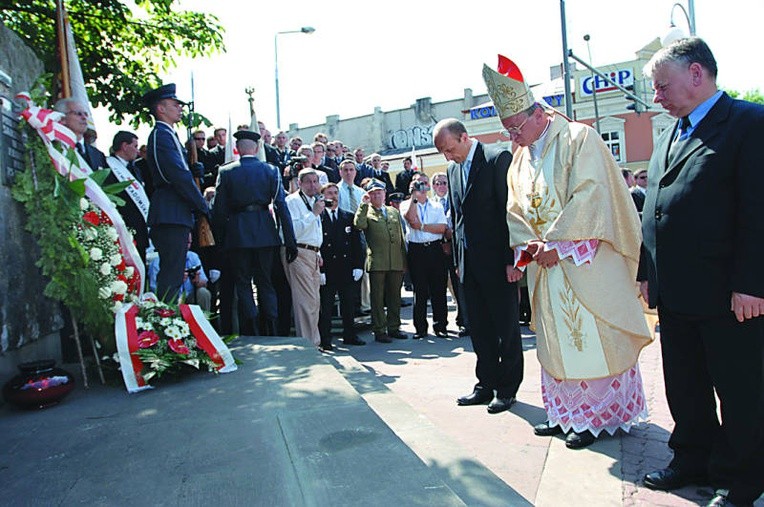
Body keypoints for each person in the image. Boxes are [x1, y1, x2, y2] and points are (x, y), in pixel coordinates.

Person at [482, 55, 653, 447]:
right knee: (555, 341)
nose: (513, 137)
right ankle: (564, 413)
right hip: (546, 268)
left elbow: (591, 195)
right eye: (506, 129)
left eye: (516, 127)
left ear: (537, 113)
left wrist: (558, 242)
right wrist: (530, 245)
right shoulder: (519, 159)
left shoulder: (579, 139)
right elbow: (514, 208)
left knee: (588, 337)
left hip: (583, 261)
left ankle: (594, 417)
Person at [638, 37, 764, 507]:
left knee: (740, 390)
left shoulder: (749, 124)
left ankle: (743, 478)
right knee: (685, 385)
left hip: (730, 295)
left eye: (662, 85)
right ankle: (692, 457)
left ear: (697, 74)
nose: (656, 96)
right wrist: (646, 270)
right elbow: (654, 207)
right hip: (676, 292)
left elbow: (759, 211)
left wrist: (753, 283)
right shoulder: (671, 132)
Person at [433, 117, 522, 415]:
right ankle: (485, 384)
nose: (447, 156)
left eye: (449, 149)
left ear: (464, 137)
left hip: (499, 263)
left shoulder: (497, 159)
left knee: (506, 328)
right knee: (480, 329)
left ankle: (507, 389)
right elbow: (458, 219)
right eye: (443, 152)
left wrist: (513, 260)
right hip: (468, 265)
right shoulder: (452, 169)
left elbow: (509, 213)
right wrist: (459, 260)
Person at [211, 130, 297, 336]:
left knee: (243, 282)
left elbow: (219, 211)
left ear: (237, 149)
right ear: (257, 148)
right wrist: (290, 240)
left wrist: (221, 240)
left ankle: (252, 328)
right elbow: (281, 207)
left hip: (238, 233)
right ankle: (272, 327)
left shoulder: (226, 172)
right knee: (265, 281)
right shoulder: (271, 170)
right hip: (265, 231)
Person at [142, 83, 209, 303]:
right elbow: (176, 175)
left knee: (173, 272)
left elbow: (179, 170)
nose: (179, 108)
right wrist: (202, 205)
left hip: (174, 210)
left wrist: (193, 170)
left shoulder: (168, 134)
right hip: (170, 210)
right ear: (161, 108)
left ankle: (171, 319)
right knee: (171, 274)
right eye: (174, 104)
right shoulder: (161, 135)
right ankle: (167, 321)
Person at [353, 179, 409, 343]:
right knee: (377, 298)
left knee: (394, 297)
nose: (377, 195)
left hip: (396, 261)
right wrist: (363, 205)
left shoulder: (393, 211)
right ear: (369, 195)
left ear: (385, 194)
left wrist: (404, 261)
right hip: (378, 261)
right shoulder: (367, 212)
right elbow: (358, 224)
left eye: (380, 192)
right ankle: (379, 329)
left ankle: (394, 327)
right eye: (374, 193)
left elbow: (400, 237)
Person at [400, 173, 449, 338]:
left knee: (439, 289)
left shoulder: (436, 206)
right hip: (416, 250)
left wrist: (421, 226)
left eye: (424, 183)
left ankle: (440, 325)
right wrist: (414, 197)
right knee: (420, 291)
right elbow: (410, 219)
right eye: (417, 183)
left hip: (434, 248)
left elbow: (442, 228)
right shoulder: (406, 204)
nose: (421, 186)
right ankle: (420, 328)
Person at [318, 183, 365, 350]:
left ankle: (350, 335)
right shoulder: (318, 217)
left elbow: (356, 244)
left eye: (336, 193)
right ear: (322, 196)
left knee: (348, 305)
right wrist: (320, 271)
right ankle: (325, 340)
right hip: (328, 269)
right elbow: (318, 246)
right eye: (330, 193)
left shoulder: (347, 216)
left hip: (346, 267)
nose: (334, 196)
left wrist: (358, 265)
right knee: (326, 306)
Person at [283, 168, 324, 347]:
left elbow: (314, 231)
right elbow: (292, 231)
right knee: (305, 302)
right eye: (308, 181)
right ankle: (309, 345)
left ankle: (313, 342)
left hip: (313, 253)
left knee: (314, 301)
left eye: (315, 181)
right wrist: (313, 213)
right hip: (298, 252)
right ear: (299, 183)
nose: (313, 185)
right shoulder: (292, 201)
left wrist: (318, 252)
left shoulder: (314, 201)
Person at [431, 171, 468, 336]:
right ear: (433, 186)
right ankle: (441, 325)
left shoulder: (455, 200)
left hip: (455, 248)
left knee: (460, 287)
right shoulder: (430, 204)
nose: (441, 186)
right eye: (438, 183)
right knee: (438, 288)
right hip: (437, 249)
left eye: (444, 183)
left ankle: (464, 321)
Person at [105, 130, 150, 266]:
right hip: (122, 228)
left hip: (139, 231)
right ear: (125, 146)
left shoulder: (135, 169)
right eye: (135, 146)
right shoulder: (108, 167)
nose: (137, 151)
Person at [148, 233, 212, 311]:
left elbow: (204, 283)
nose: (187, 246)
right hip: (169, 297)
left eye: (189, 243)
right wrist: (176, 281)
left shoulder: (193, 256)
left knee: (203, 293)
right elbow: (154, 290)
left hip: (189, 296)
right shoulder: (157, 262)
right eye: (185, 242)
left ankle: (203, 320)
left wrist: (197, 281)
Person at [55, 98, 107, 171]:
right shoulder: (54, 148)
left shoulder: (98, 155)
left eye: (86, 114)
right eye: (78, 113)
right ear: (62, 118)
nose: (84, 118)